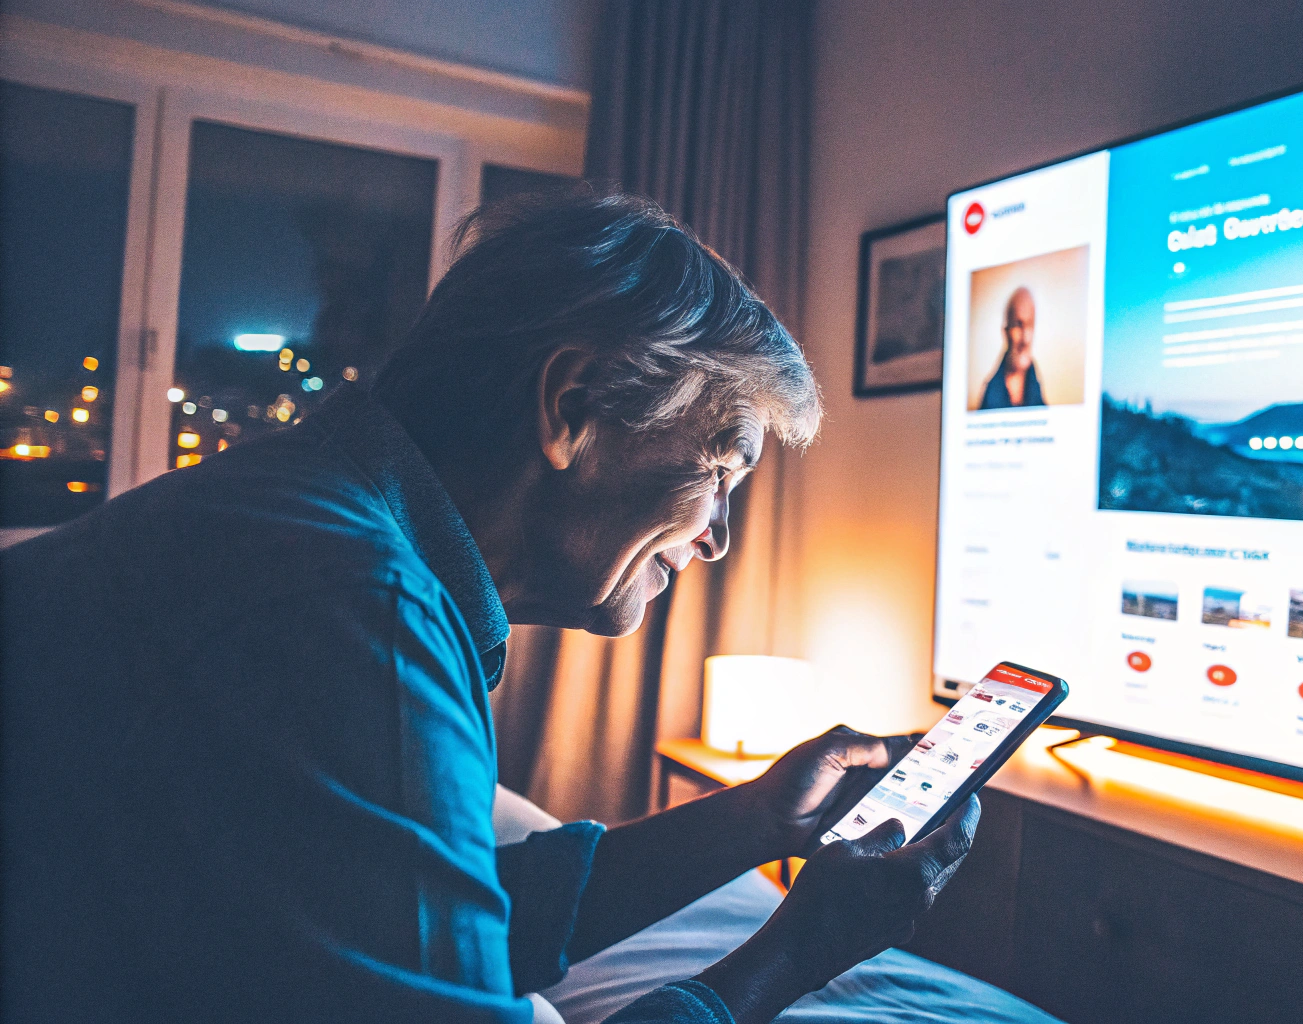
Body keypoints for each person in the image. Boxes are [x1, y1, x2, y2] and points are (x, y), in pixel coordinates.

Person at [1, 189, 982, 1023]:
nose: (717, 535)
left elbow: (441, 913)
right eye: (719, 470)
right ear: (572, 406)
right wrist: (794, 952)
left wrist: (763, 815)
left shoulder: (318, 521)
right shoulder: (357, 604)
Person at [976, 286, 1045, 410]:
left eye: (1030, 325)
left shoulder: (1037, 388)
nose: (1025, 339)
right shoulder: (990, 392)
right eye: (1018, 325)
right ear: (1005, 332)